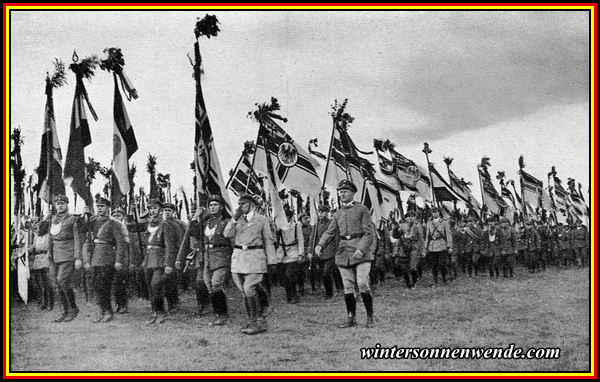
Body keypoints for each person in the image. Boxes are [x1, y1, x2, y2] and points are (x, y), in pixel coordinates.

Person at [315, 180, 375, 329]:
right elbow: (330, 232)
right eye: (340, 192)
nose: (342, 194)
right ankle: (351, 318)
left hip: (361, 252)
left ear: (353, 193)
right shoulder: (337, 213)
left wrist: (361, 248)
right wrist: (320, 244)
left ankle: (370, 317)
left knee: (362, 283)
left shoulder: (362, 209)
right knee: (348, 287)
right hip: (343, 252)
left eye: (345, 191)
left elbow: (369, 233)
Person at [224, 193, 277, 335]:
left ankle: (256, 321)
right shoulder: (237, 220)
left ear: (252, 205)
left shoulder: (261, 220)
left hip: (255, 257)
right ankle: (259, 311)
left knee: (248, 288)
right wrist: (234, 219)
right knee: (244, 291)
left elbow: (268, 240)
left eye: (243, 204)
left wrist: (272, 260)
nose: (240, 207)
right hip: (239, 258)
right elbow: (226, 234)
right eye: (239, 204)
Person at [83, 198, 128, 323]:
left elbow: (121, 242)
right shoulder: (94, 221)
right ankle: (102, 311)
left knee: (104, 286)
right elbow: (82, 228)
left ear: (108, 208)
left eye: (102, 206)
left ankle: (108, 312)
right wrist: (84, 214)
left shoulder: (114, 223)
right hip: (96, 257)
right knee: (97, 286)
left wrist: (118, 260)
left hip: (108, 257)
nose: (100, 208)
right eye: (98, 206)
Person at [143, 199, 179, 324]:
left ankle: (160, 313)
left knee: (156, 285)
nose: (152, 211)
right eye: (150, 208)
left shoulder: (166, 225)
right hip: (149, 259)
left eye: (155, 208)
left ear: (160, 209)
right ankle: (154, 312)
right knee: (150, 287)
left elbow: (170, 246)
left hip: (160, 260)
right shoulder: (148, 224)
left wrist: (169, 264)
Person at [48, 195, 82, 323]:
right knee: (56, 283)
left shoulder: (73, 219)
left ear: (67, 205)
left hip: (68, 254)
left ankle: (73, 309)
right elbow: (50, 236)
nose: (60, 205)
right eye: (58, 204)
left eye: (62, 203)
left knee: (62, 280)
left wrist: (77, 257)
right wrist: (49, 252)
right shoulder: (52, 219)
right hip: (54, 254)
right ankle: (64, 311)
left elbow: (77, 238)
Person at [308, 204, 337, 299]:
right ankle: (328, 292)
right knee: (322, 273)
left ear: (327, 213)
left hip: (330, 251)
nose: (321, 214)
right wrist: (310, 251)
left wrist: (337, 250)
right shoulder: (316, 225)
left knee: (327, 272)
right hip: (319, 252)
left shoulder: (331, 223)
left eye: (323, 212)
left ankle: (330, 293)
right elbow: (312, 239)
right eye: (319, 212)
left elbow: (335, 237)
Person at [276, 208, 305, 304]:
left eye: (288, 217)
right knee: (285, 277)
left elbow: (300, 241)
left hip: (293, 252)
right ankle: (289, 296)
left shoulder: (296, 227)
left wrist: (301, 254)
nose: (286, 219)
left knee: (290, 275)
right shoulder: (279, 227)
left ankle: (293, 295)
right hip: (282, 254)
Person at [162, 202, 185, 313]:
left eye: (169, 210)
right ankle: (171, 303)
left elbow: (181, 240)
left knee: (171, 281)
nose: (167, 212)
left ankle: (174, 303)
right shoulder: (162, 224)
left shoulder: (178, 224)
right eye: (165, 210)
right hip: (164, 255)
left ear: (174, 212)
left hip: (174, 254)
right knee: (166, 281)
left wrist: (179, 257)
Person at [391, 211, 423, 289]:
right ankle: (408, 283)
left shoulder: (417, 227)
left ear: (415, 218)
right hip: (404, 248)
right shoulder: (402, 227)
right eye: (408, 216)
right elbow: (396, 237)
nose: (410, 218)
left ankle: (414, 283)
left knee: (413, 266)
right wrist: (395, 228)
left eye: (412, 216)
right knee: (404, 267)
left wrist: (423, 251)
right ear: (406, 218)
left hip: (414, 247)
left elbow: (421, 240)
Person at [423, 207, 453, 287]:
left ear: (439, 213)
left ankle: (444, 279)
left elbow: (448, 234)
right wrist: (425, 247)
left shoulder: (444, 222)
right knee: (434, 265)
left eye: (436, 212)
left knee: (442, 264)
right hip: (432, 246)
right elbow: (427, 236)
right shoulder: (429, 223)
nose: (434, 214)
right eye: (433, 212)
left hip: (441, 245)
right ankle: (435, 281)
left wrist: (449, 246)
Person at [30, 217, 54, 311]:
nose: (39, 228)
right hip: (37, 259)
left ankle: (49, 303)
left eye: (41, 226)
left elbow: (49, 249)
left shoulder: (48, 236)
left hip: (45, 259)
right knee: (39, 283)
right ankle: (42, 302)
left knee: (47, 283)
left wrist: (48, 259)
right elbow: (34, 247)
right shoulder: (36, 236)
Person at [110, 208, 131, 314]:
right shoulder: (111, 226)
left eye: (118, 215)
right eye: (114, 215)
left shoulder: (124, 227)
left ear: (123, 217)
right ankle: (117, 303)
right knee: (114, 282)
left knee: (121, 282)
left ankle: (123, 304)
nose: (116, 217)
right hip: (113, 256)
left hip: (123, 257)